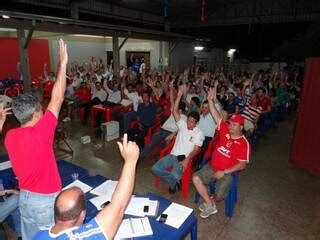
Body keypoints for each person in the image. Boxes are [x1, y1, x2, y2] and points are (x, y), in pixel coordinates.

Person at [5, 39, 68, 239]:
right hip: (45, 203)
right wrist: (63, 64)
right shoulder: (41, 132)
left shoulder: (10, 136)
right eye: (41, 109)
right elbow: (57, 98)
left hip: (25, 198)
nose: (43, 111)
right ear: (35, 115)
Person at [33, 134, 139, 239]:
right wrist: (131, 160)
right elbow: (118, 207)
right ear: (82, 215)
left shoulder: (39, 235)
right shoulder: (86, 237)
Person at [192, 86, 250, 218]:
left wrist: (224, 172)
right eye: (230, 124)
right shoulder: (226, 131)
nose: (230, 126)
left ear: (241, 127)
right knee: (195, 178)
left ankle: (212, 201)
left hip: (227, 173)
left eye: (234, 125)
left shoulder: (244, 143)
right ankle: (210, 205)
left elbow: (242, 164)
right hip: (212, 167)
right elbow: (216, 116)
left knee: (219, 195)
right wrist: (211, 100)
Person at [151, 85, 204, 194]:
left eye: (192, 122)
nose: (189, 123)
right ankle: (174, 182)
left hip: (183, 159)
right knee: (155, 169)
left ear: (197, 123)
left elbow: (195, 150)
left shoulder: (199, 133)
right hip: (172, 155)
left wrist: (187, 160)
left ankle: (174, 181)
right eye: (188, 120)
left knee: (175, 174)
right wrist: (179, 95)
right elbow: (175, 111)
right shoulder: (182, 125)